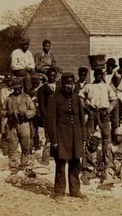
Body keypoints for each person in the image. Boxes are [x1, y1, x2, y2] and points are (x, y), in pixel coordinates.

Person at [46, 72, 87, 202]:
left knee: (76, 164)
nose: (69, 86)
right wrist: (54, 140)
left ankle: (75, 190)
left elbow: (82, 120)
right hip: (61, 135)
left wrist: (84, 138)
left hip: (76, 135)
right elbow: (50, 121)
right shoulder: (54, 99)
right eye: (67, 84)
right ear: (62, 85)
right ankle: (59, 191)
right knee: (60, 164)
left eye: (71, 83)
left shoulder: (77, 99)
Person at [1, 78, 36, 175]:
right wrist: (9, 113)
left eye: (18, 88)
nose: (16, 91)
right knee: (12, 146)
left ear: (22, 87)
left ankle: (23, 164)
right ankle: (13, 167)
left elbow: (33, 111)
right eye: (15, 89)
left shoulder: (27, 98)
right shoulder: (9, 99)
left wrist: (25, 114)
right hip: (12, 125)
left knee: (26, 146)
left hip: (24, 124)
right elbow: (2, 111)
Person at [80, 68, 118, 141]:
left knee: (106, 136)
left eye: (100, 74)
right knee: (90, 135)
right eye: (97, 74)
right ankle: (91, 151)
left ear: (102, 75)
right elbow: (80, 96)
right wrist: (86, 108)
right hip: (92, 112)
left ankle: (106, 151)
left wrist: (108, 111)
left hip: (103, 113)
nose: (98, 76)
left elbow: (114, 99)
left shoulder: (106, 86)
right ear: (94, 75)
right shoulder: (88, 86)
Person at [37, 67, 60, 165]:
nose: (52, 78)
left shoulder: (59, 87)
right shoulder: (43, 89)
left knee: (58, 136)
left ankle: (57, 156)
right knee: (48, 136)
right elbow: (41, 103)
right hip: (49, 116)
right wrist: (45, 116)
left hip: (59, 116)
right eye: (50, 76)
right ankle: (45, 159)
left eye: (53, 76)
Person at [104, 58, 121, 136]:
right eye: (108, 65)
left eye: (112, 66)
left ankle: (115, 138)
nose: (110, 67)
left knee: (115, 120)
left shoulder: (117, 76)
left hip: (114, 100)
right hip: (105, 99)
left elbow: (119, 88)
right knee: (105, 119)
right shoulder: (102, 75)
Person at [26, 72, 42, 153]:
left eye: (37, 83)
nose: (35, 84)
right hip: (33, 114)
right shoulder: (28, 92)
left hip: (40, 112)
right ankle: (35, 145)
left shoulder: (41, 91)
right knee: (33, 130)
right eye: (33, 83)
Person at [0, 73, 13, 156]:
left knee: (11, 131)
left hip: (12, 112)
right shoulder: (3, 90)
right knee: (4, 131)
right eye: (8, 81)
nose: (10, 82)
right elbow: (4, 102)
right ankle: (5, 151)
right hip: (6, 112)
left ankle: (11, 149)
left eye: (11, 80)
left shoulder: (13, 89)